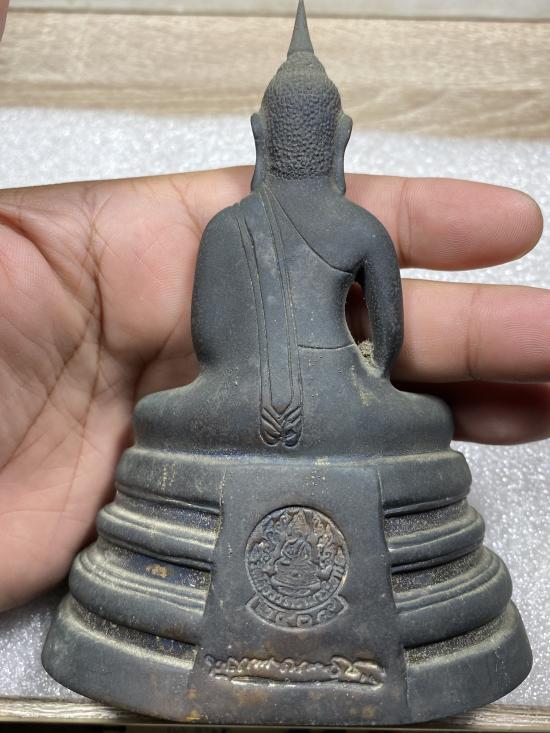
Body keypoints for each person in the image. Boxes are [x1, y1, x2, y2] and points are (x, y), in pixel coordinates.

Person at [0, 4, 547, 613]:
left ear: (260, 135)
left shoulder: (225, 227)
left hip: (230, 405)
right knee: (426, 420)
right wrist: (363, 380)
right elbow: (388, 340)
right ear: (341, 139)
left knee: (155, 416)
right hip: (344, 403)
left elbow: (211, 343)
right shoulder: (362, 227)